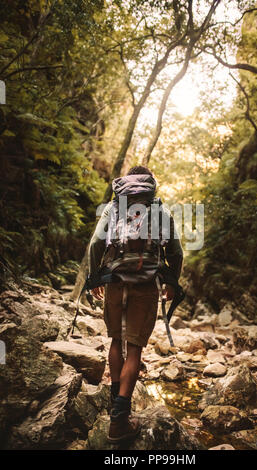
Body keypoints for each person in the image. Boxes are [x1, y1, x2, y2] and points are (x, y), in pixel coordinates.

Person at [88, 166, 183, 442]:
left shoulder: (113, 208)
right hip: (145, 285)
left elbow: (96, 243)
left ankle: (115, 404)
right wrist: (171, 283)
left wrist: (95, 278)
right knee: (136, 349)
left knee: (116, 342)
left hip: (115, 281)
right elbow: (175, 251)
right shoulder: (160, 211)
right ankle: (119, 420)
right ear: (150, 184)